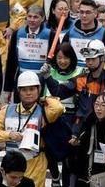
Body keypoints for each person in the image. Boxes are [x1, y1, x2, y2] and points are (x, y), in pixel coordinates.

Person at [0, 71, 64, 187]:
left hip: (36, 163)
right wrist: (9, 135)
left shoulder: (45, 111)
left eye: (32, 89)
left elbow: (59, 107)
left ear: (38, 90)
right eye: (24, 90)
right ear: (19, 92)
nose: (28, 93)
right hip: (12, 165)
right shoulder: (6, 111)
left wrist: (44, 98)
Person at [42, 40, 105, 145]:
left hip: (104, 128)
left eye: (93, 59)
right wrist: (47, 76)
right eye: (87, 59)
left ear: (102, 58)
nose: (89, 62)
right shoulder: (80, 79)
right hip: (81, 130)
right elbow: (58, 92)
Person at [41, 42, 82, 186]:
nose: (62, 61)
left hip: (70, 118)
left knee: (68, 157)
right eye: (59, 58)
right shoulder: (48, 71)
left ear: (72, 58)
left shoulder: (79, 72)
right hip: (51, 118)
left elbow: (59, 91)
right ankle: (54, 175)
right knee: (49, 151)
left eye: (66, 57)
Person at [4, 6, 51, 100]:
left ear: (42, 18)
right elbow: (11, 62)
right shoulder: (18, 34)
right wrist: (8, 89)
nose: (32, 20)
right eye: (29, 16)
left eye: (35, 17)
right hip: (22, 80)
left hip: (42, 80)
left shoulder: (50, 34)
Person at [63, 0, 105, 68]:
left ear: (95, 13)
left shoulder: (103, 34)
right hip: (73, 75)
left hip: (94, 76)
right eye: (81, 12)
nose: (84, 15)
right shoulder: (70, 33)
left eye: (88, 12)